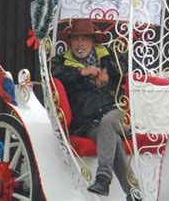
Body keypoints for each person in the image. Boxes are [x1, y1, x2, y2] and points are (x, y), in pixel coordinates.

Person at [51, 19, 139, 200]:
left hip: (117, 113)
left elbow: (132, 65)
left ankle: (103, 179)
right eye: (75, 39)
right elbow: (52, 72)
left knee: (108, 122)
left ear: (93, 41)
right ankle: (134, 192)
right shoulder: (62, 61)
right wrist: (81, 72)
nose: (80, 44)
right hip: (89, 123)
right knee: (109, 134)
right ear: (70, 42)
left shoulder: (108, 56)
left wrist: (110, 73)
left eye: (84, 39)